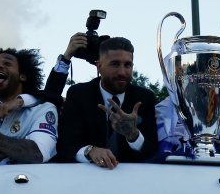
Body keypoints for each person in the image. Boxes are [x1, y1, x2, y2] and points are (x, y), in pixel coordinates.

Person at [57, 37, 158, 168]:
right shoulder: (79, 94)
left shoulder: (145, 98)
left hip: (133, 180)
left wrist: (133, 135)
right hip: (86, 177)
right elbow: (64, 146)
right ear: (99, 66)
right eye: (115, 64)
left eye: (128, 65)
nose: (122, 72)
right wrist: (90, 151)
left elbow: (152, 151)